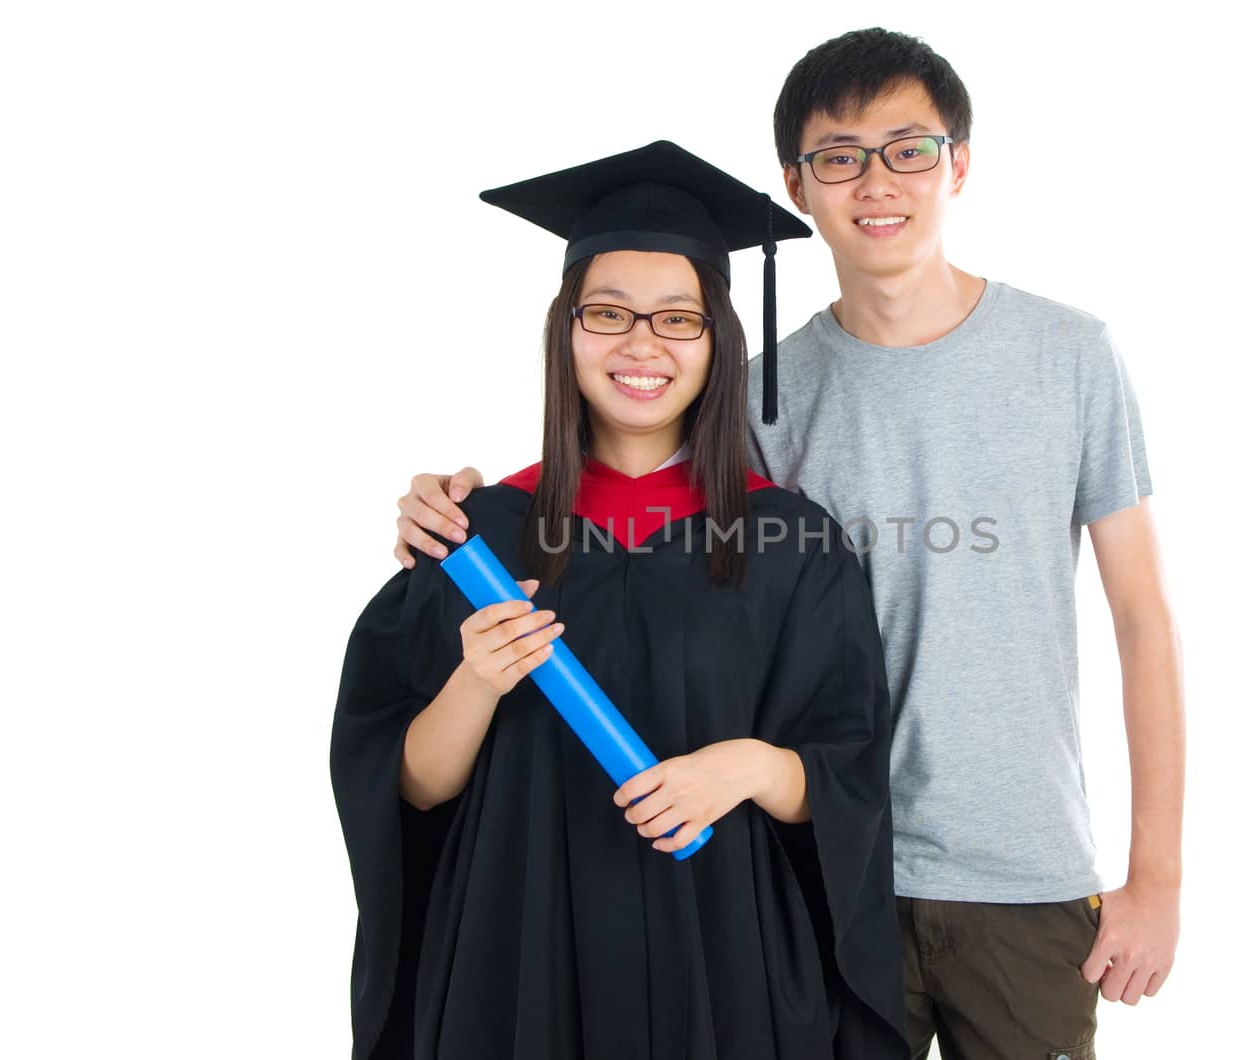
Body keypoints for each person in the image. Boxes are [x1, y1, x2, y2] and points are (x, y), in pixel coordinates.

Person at [394, 29, 1185, 1060]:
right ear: (796, 187)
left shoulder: (1068, 355)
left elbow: (1142, 617)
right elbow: (635, 494)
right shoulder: (763, 399)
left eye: (907, 148)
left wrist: (1155, 878)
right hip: (813, 871)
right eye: (837, 156)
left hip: (1019, 866)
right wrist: (458, 504)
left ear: (959, 162)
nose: (874, 181)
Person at [332, 141, 909, 1060]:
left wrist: (752, 767)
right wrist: (478, 680)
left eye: (679, 318)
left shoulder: (792, 545)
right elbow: (405, 785)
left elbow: (848, 776)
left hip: (725, 962)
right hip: (515, 958)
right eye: (607, 313)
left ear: (720, 340)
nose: (642, 345)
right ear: (565, 330)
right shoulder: (473, 533)